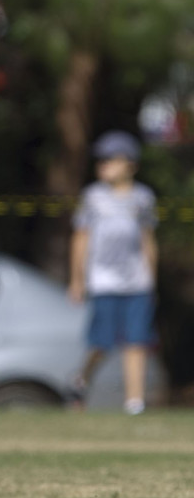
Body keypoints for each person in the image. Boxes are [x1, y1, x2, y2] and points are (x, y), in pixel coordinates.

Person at [68, 130, 157, 415]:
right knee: (101, 343)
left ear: (129, 164)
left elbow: (147, 239)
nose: (103, 164)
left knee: (136, 341)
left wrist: (151, 277)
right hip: (103, 281)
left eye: (110, 159)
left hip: (136, 282)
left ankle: (134, 403)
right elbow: (80, 238)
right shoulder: (92, 197)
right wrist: (77, 279)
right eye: (101, 159)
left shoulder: (143, 198)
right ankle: (81, 380)